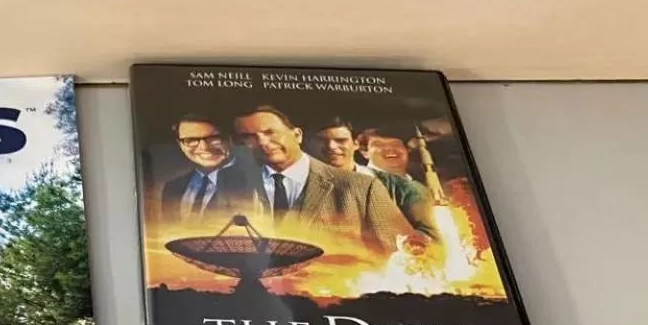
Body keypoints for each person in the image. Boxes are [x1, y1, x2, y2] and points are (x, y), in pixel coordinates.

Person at [231, 106, 413, 255]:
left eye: (270, 132)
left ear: (297, 135)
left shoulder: (363, 187)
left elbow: (404, 255)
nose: (262, 142)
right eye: (249, 137)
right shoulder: (230, 184)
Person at [314, 119, 438, 241]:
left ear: (355, 144)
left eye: (341, 140)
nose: (331, 146)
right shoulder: (303, 188)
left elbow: (431, 236)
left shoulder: (402, 188)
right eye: (323, 141)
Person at [159, 115, 251, 223]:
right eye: (191, 140)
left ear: (231, 138)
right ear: (180, 144)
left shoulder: (253, 181)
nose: (204, 147)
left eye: (214, 138)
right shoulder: (173, 188)